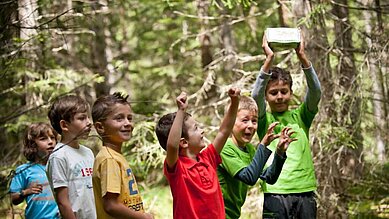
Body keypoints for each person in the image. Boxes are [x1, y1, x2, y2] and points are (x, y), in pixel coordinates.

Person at [251, 33, 322, 218]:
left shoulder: (302, 116)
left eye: (284, 91)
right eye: (273, 92)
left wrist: (303, 57)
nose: (280, 96)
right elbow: (255, 96)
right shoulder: (263, 120)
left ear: (291, 93)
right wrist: (269, 59)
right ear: (267, 97)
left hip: (305, 191)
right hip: (275, 191)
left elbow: (315, 92)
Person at [155, 88, 240, 219]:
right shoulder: (178, 169)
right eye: (196, 128)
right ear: (183, 142)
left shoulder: (208, 158)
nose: (202, 130)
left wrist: (235, 102)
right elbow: (172, 145)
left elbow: (224, 131)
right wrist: (181, 111)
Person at [217, 95, 296, 219]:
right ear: (230, 122)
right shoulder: (225, 148)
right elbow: (249, 177)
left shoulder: (249, 150)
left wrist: (279, 152)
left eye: (254, 121)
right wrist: (263, 145)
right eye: (245, 120)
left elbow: (269, 177)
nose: (251, 126)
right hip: (215, 214)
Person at [91, 93, 154, 219]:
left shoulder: (115, 156)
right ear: (100, 127)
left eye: (129, 118)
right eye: (119, 119)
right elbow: (110, 205)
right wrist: (143, 217)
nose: (127, 123)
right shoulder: (109, 159)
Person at [47, 95, 96, 219]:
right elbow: (63, 203)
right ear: (64, 125)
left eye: (88, 117)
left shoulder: (88, 152)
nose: (89, 122)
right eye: (82, 118)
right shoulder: (58, 156)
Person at [9, 122, 60, 219]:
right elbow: (13, 198)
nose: (50, 142)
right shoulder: (24, 170)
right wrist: (26, 192)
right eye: (43, 139)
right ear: (32, 145)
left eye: (52, 138)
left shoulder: (60, 166)